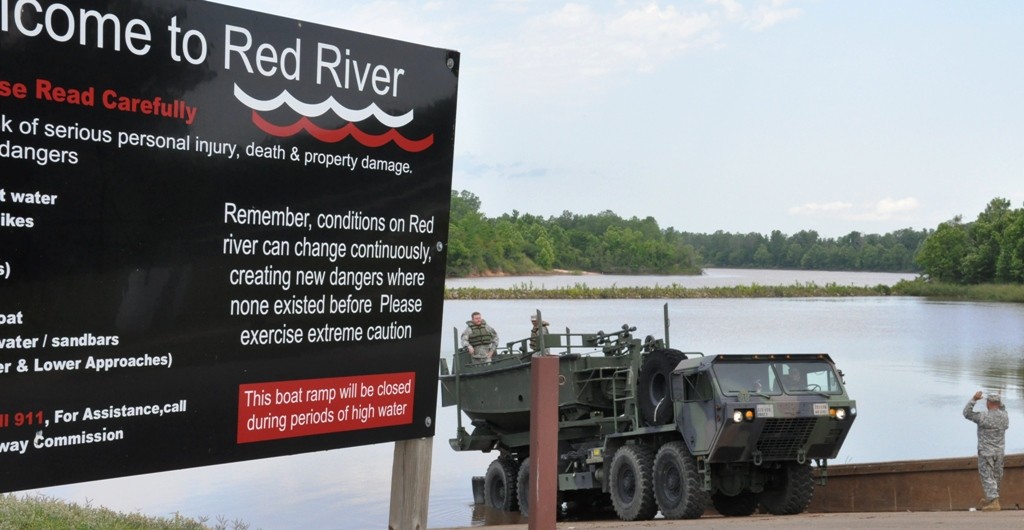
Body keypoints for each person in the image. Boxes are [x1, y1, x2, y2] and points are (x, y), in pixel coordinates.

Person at [963, 390, 1009, 511]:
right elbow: (1003, 408)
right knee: (996, 476)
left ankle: (994, 501)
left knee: (987, 476)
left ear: (988, 403)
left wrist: (974, 399)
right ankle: (992, 499)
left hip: (986, 452)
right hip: (999, 452)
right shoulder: (1004, 416)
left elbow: (966, 413)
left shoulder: (983, 416)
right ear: (998, 403)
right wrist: (1000, 398)